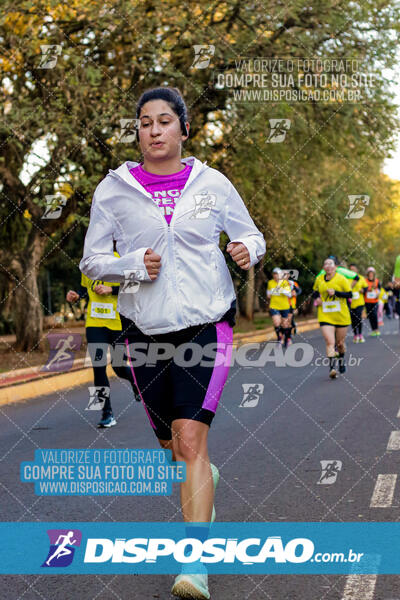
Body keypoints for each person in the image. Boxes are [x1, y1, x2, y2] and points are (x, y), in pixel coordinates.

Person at [79, 86, 266, 599]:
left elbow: (251, 234)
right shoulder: (112, 190)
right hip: (143, 330)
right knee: (171, 447)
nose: (154, 129)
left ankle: (195, 565)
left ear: (184, 129)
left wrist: (246, 249)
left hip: (207, 324)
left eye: (165, 121)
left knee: (189, 440)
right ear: (137, 132)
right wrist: (131, 265)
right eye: (145, 122)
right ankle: (203, 476)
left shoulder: (213, 184)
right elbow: (92, 261)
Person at [66, 264, 140, 428]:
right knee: (97, 366)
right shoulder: (88, 264)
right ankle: (107, 413)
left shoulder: (120, 258)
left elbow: (135, 286)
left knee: (119, 366)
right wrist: (77, 295)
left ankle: (135, 380)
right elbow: (86, 288)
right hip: (95, 322)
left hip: (118, 322)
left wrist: (110, 290)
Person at [312, 257, 352, 378]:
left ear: (335, 267)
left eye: (330, 263)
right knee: (330, 342)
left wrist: (336, 293)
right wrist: (317, 299)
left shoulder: (342, 279)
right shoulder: (319, 279)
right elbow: (314, 291)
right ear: (324, 268)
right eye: (326, 264)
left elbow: (349, 294)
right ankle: (332, 368)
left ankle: (341, 360)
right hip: (325, 315)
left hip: (341, 316)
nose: (328, 266)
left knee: (340, 343)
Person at [267, 268, 293, 347]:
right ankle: (279, 338)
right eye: (274, 274)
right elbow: (268, 293)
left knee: (285, 324)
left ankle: (287, 338)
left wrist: (281, 290)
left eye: (277, 274)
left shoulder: (285, 282)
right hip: (274, 306)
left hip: (284, 306)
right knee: (277, 322)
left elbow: (289, 294)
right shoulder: (270, 282)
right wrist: (269, 294)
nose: (275, 276)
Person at [349, 264, 367, 343]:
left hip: (359, 302)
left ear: (357, 270)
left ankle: (360, 334)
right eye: (351, 269)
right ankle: (355, 335)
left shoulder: (361, 278)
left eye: (354, 269)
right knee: (353, 319)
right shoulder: (347, 278)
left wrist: (363, 290)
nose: (352, 271)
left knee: (359, 317)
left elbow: (366, 288)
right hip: (350, 302)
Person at [364, 266, 381, 336]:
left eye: (372, 273)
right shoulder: (365, 281)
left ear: (374, 274)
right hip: (367, 301)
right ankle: (373, 330)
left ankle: (376, 329)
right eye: (369, 273)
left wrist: (378, 293)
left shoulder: (377, 281)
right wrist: (367, 290)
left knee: (374, 314)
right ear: (367, 274)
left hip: (375, 301)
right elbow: (363, 290)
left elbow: (379, 289)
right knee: (370, 316)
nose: (371, 275)